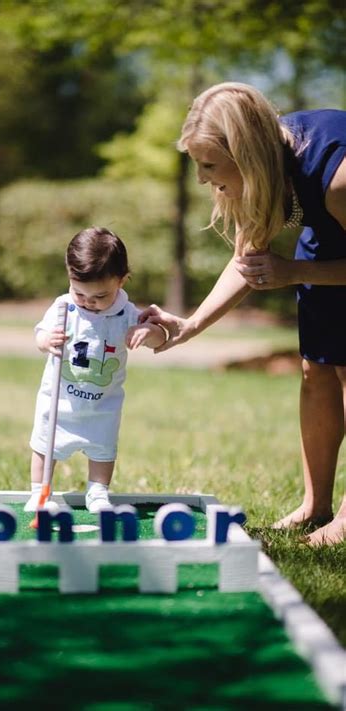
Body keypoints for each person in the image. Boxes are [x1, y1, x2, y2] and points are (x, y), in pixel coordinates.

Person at [139, 82, 346, 545]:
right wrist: (188, 326)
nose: (201, 179)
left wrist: (293, 269)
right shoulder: (266, 172)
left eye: (209, 165)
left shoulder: (338, 179)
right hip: (329, 242)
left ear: (245, 153)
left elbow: (283, 268)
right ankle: (316, 506)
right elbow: (248, 264)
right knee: (317, 372)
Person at [25, 226, 169, 514]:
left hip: (103, 403)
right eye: (80, 293)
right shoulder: (64, 307)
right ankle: (40, 492)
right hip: (59, 399)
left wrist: (147, 331)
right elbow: (40, 334)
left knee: (103, 446)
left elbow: (160, 337)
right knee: (44, 443)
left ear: (122, 281)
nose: (89, 302)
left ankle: (98, 491)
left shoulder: (127, 314)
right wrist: (45, 341)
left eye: (100, 296)